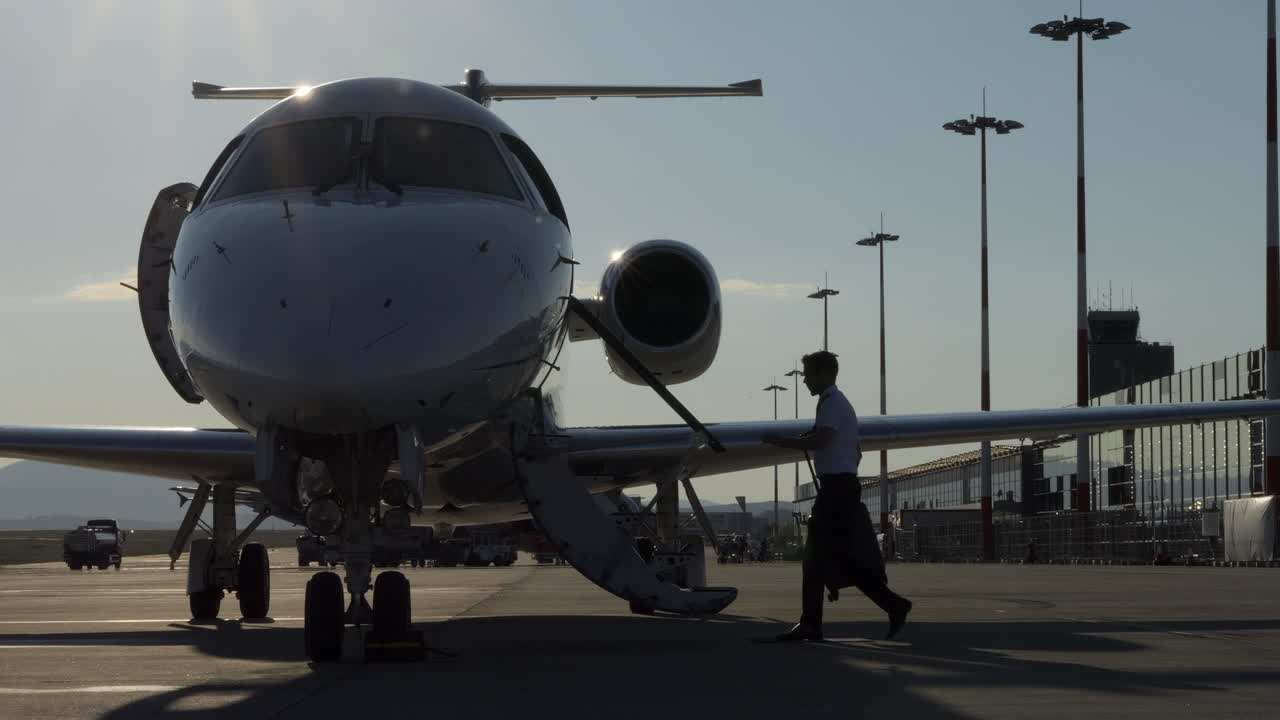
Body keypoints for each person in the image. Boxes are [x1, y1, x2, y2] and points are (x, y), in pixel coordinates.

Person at [763, 350, 912, 642]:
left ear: (824, 374)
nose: (804, 380)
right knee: (830, 558)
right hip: (839, 489)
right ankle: (821, 621)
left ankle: (817, 623)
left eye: (808, 374)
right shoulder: (835, 403)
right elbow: (851, 448)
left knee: (820, 559)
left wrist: (781, 442)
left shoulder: (832, 404)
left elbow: (822, 440)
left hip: (836, 491)